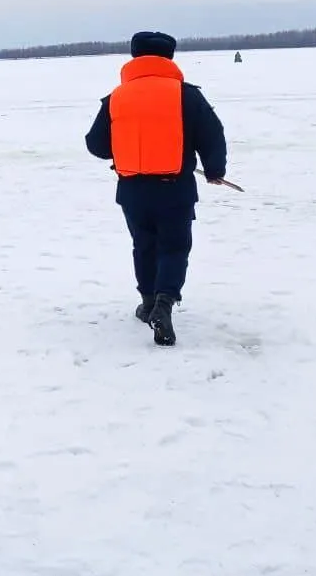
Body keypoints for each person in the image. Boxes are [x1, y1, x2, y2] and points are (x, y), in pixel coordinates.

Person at [85, 31, 228, 346]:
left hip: (133, 190)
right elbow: (212, 133)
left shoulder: (116, 98)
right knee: (174, 248)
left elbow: (95, 145)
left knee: (144, 245)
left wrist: (125, 143)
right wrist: (214, 169)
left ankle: (148, 302)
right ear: (170, 58)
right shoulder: (186, 95)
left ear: (134, 57)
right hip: (175, 187)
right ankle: (164, 303)